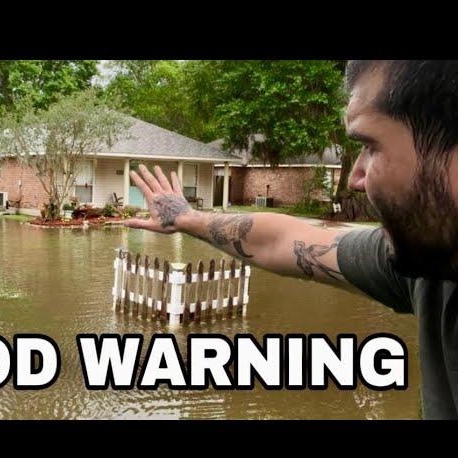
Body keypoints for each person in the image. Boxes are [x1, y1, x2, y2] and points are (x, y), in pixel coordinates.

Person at [124, 60, 458, 420]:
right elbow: (283, 241)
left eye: (371, 146)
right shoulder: (427, 270)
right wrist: (187, 218)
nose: (355, 177)